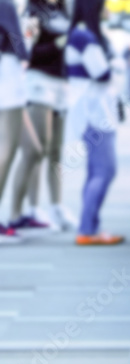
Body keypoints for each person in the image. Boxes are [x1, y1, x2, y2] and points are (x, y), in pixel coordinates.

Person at [10, 0, 76, 233]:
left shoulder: (63, 9)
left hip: (62, 83)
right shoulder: (32, 11)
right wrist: (58, 44)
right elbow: (27, 52)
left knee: (56, 150)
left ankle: (56, 206)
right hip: (39, 82)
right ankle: (27, 209)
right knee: (38, 148)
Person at [66, 0, 123, 245]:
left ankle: (89, 227)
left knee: (96, 171)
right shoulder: (84, 36)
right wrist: (117, 65)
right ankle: (87, 229)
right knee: (104, 170)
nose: (108, 10)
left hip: (93, 112)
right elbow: (102, 72)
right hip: (95, 114)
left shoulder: (82, 34)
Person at [0, 0, 28, 242]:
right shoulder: (5, 4)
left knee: (32, 148)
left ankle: (20, 214)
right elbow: (15, 37)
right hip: (8, 77)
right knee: (7, 150)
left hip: (9, 78)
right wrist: (25, 55)